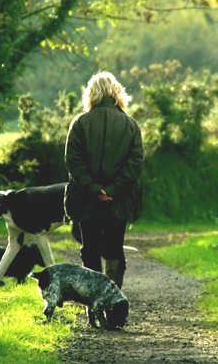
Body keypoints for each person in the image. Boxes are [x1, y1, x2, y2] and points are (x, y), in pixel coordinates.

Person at [64, 71, 144, 288]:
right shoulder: (130, 125)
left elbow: (73, 160)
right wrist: (113, 190)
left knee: (89, 249)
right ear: (116, 92)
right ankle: (113, 303)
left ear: (91, 94)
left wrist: (94, 189)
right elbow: (135, 162)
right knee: (114, 249)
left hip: (85, 199)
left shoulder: (79, 123)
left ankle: (93, 304)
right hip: (119, 201)